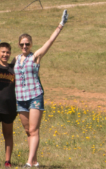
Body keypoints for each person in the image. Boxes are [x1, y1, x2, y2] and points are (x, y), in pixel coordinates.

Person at [15, 10, 68, 167]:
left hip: (35, 96)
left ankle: (29, 163)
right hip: (20, 98)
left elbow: (49, 42)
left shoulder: (35, 56)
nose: (25, 46)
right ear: (19, 45)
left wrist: (61, 25)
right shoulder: (16, 59)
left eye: (27, 44)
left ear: (31, 45)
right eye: (22, 44)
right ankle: (36, 161)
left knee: (34, 130)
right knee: (27, 131)